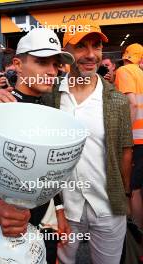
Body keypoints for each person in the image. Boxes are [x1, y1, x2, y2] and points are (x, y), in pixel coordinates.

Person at [0, 28, 74, 264]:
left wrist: (58, 211)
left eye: (56, 64)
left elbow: (52, 173)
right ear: (18, 64)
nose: (51, 71)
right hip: (1, 231)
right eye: (42, 62)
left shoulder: (52, 113)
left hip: (46, 226)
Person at [54, 19, 133, 264]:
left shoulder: (116, 99)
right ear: (65, 51)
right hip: (64, 210)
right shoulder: (51, 95)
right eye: (81, 47)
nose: (90, 55)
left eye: (96, 46)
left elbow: (125, 150)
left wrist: (126, 196)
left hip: (107, 208)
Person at [115, 43, 143, 232]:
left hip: (136, 138)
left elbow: (132, 104)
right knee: (139, 188)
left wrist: (125, 135)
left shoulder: (124, 70)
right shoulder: (141, 72)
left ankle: (136, 232)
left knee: (132, 190)